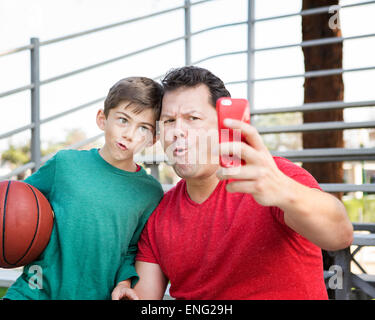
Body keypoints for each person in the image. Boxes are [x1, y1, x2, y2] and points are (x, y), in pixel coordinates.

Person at [128, 66, 353, 300]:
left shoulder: (273, 178)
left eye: (192, 118)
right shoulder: (159, 216)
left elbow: (339, 235)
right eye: (169, 121)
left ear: (224, 125)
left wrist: (286, 192)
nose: (177, 131)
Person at [4, 77, 164, 300]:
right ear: (102, 119)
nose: (129, 134)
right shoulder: (65, 164)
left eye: (143, 128)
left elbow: (132, 250)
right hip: (35, 290)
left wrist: (124, 282)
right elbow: (14, 204)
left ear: (153, 139)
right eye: (123, 120)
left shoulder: (150, 192)